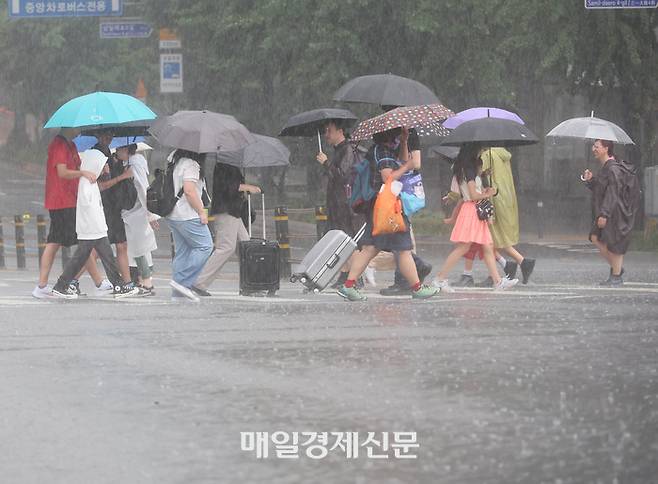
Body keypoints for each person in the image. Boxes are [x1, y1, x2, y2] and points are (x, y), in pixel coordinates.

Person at [336, 127, 438, 301]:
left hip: (377, 206)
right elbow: (387, 176)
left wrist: (405, 141)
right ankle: (417, 288)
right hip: (388, 207)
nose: (399, 136)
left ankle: (348, 285)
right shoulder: (382, 151)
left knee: (370, 248)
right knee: (404, 249)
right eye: (398, 133)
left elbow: (402, 159)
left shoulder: (381, 149)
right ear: (389, 135)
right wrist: (408, 166)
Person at [32, 128, 111, 299]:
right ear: (68, 126)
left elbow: (78, 165)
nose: (79, 130)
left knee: (73, 242)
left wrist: (95, 168)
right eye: (77, 127)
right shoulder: (59, 145)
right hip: (61, 201)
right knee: (71, 242)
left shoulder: (71, 145)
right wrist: (83, 172)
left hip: (70, 199)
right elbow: (63, 172)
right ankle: (44, 285)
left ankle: (44, 285)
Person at [51, 150, 139, 299]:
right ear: (95, 165)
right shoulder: (87, 185)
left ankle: (62, 285)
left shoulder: (91, 183)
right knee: (95, 258)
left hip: (95, 230)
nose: (106, 167)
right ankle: (62, 285)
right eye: (103, 165)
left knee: (97, 258)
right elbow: (89, 209)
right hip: (93, 230)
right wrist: (99, 226)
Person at [432, 144, 518, 292]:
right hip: (472, 210)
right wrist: (488, 194)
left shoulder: (466, 169)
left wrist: (484, 180)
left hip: (473, 210)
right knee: (464, 247)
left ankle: (497, 281)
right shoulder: (469, 170)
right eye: (480, 149)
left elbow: (473, 192)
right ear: (473, 151)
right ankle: (439, 279)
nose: (482, 152)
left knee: (487, 246)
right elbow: (473, 195)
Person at [454, 147, 535, 287]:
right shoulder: (502, 156)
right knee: (492, 239)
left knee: (487, 239)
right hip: (505, 198)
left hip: (490, 200)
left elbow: (477, 182)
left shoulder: (486, 156)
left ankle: (494, 272)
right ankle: (513, 265)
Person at [377, 116, 432, 296]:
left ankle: (409, 276)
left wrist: (405, 141)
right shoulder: (395, 137)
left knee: (400, 240)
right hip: (397, 192)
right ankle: (412, 274)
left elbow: (414, 163)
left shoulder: (409, 133)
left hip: (402, 193)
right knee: (398, 240)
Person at [191, 162, 261, 296]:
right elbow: (227, 187)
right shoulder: (223, 164)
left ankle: (251, 283)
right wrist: (246, 187)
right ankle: (199, 282)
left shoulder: (230, 164)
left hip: (233, 211)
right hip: (226, 211)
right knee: (226, 247)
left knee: (245, 247)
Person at [582, 139, 640, 286]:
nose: (593, 149)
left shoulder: (613, 168)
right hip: (609, 209)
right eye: (593, 146)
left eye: (597, 146)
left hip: (614, 211)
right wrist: (591, 180)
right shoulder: (607, 167)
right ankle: (617, 269)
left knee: (615, 244)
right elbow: (602, 189)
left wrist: (604, 214)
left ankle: (616, 274)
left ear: (606, 148)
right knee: (595, 237)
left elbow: (613, 193)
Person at [316, 119, 361, 288]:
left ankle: (355, 276)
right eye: (325, 131)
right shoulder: (338, 150)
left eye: (329, 131)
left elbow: (343, 176)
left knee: (348, 239)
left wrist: (326, 163)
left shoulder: (347, 149)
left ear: (340, 131)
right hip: (336, 203)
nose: (326, 135)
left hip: (345, 204)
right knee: (339, 240)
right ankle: (344, 274)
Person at [166, 149, 214, 301]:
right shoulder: (192, 164)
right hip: (188, 214)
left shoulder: (175, 160)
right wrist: (201, 211)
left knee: (183, 252)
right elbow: (189, 191)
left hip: (173, 213)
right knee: (205, 246)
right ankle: (183, 282)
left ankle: (178, 293)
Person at [116, 142, 159, 295]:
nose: (117, 151)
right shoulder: (132, 162)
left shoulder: (134, 165)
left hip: (137, 213)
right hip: (136, 212)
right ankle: (143, 281)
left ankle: (147, 283)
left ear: (126, 149)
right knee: (141, 249)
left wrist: (150, 214)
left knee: (139, 249)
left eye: (119, 149)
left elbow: (142, 189)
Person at [95, 130, 134, 288]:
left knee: (121, 244)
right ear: (97, 135)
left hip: (114, 208)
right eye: (105, 135)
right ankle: (71, 279)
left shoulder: (109, 155)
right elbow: (101, 186)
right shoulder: (97, 154)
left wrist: (120, 165)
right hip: (105, 208)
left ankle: (127, 283)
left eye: (111, 134)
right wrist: (122, 177)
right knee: (95, 250)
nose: (109, 138)